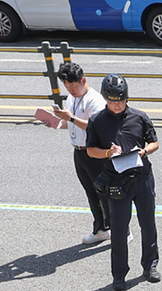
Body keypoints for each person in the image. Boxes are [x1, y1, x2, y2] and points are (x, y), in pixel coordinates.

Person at [85, 74, 160, 291]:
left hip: (142, 178)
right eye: (112, 101)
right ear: (105, 99)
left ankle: (150, 265)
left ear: (127, 98)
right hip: (116, 181)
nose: (117, 105)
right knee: (118, 230)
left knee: (148, 224)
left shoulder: (139, 117)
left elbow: (154, 142)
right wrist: (109, 152)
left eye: (120, 101)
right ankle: (119, 274)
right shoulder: (97, 121)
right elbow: (90, 150)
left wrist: (144, 151)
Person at [51, 62, 111, 245]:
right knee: (91, 193)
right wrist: (56, 122)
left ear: (83, 80)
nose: (71, 90)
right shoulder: (71, 99)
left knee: (105, 193)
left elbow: (96, 127)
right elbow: (73, 124)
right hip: (78, 151)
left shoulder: (95, 100)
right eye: (67, 86)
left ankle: (121, 230)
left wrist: (70, 118)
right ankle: (101, 229)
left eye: (74, 85)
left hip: (95, 152)